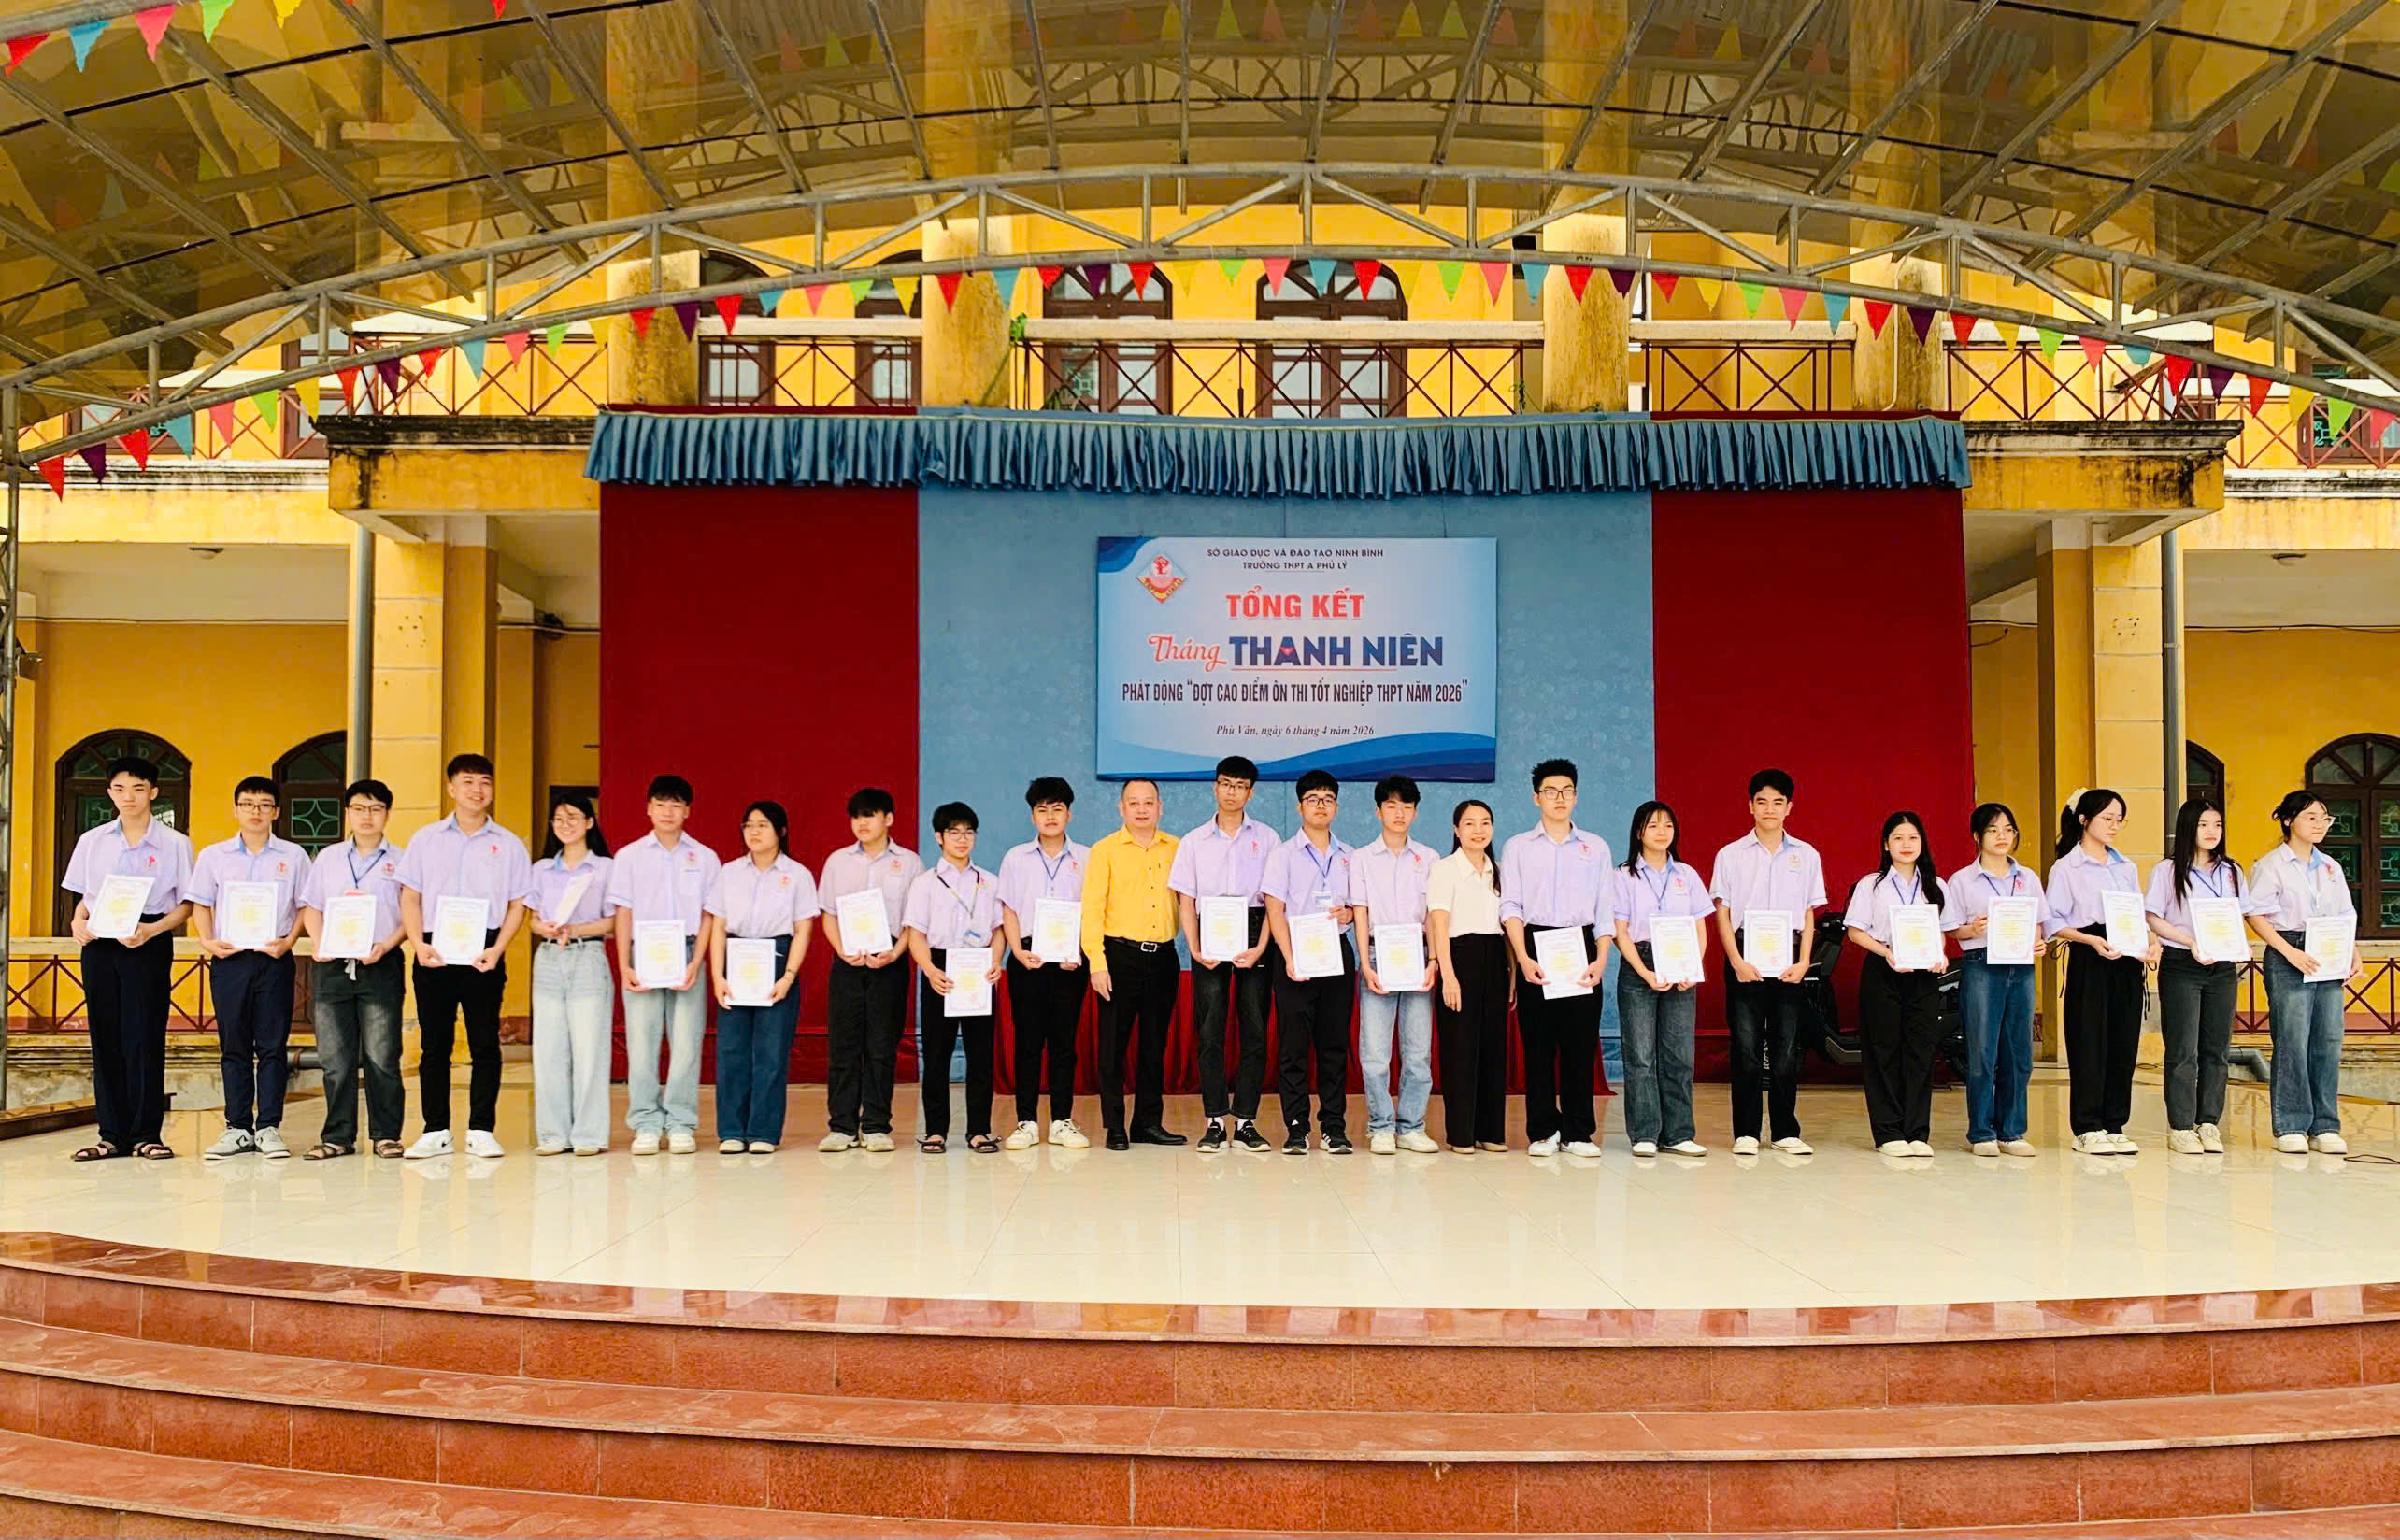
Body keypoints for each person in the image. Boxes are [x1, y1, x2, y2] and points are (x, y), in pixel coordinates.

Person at [397, 752, 534, 1160]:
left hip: (483, 951)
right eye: (468, 781)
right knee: (434, 1046)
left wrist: (498, 948)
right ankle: (435, 1129)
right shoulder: (426, 839)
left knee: (484, 1044)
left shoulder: (508, 844)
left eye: (485, 782)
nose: (477, 790)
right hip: (434, 949)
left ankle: (481, 1129)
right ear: (451, 788)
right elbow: (410, 896)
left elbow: (518, 904)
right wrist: (418, 943)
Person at [62, 755, 193, 1162]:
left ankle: (147, 1134)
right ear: (110, 793)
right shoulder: (92, 840)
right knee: (105, 1035)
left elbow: (186, 905)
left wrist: (153, 931)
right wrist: (77, 921)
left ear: (153, 792)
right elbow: (86, 898)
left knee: (145, 1034)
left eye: (138, 788)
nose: (128, 797)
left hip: (147, 939)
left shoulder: (175, 843)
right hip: (101, 942)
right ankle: (111, 1134)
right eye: (119, 789)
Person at [188, 777, 311, 1161]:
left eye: (264, 804)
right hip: (230, 960)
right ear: (235, 809)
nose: (255, 811)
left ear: (276, 811)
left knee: (272, 1046)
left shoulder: (294, 856)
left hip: (274, 959)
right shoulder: (214, 855)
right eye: (247, 804)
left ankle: (269, 1126)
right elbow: (201, 903)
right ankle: (238, 1127)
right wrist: (208, 941)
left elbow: (306, 905)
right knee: (234, 1046)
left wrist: (289, 940)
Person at [1499, 758, 1612, 1158]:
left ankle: (1578, 1132)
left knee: (1580, 1045)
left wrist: (1601, 959)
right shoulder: (1517, 847)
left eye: (1566, 791)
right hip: (1535, 946)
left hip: (1581, 946)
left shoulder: (1596, 848)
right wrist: (1522, 956)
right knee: (1539, 1046)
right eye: (1550, 791)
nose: (1559, 798)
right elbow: (1510, 905)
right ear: (1537, 798)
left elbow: (1605, 910)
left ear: (1576, 796)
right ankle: (1543, 1130)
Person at [1709, 768, 1825, 1157]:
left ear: (1789, 807)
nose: (1770, 809)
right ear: (1750, 806)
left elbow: (1809, 912)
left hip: (1789, 955)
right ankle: (1745, 1131)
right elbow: (1722, 912)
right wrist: (1735, 960)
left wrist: (1805, 960)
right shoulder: (1730, 855)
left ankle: (1785, 1130)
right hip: (1745, 953)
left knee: (1787, 1047)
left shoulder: (1806, 855)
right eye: (1762, 802)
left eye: (1778, 802)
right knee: (1745, 1046)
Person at [1170, 756, 1279, 1152]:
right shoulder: (1194, 841)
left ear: (1251, 792)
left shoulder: (1268, 838)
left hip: (1254, 929)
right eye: (1226, 784)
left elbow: (1274, 900)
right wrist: (1194, 947)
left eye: (1240, 786)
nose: (1232, 792)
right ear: (1215, 787)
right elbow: (1186, 899)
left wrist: (1262, 945)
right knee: (1210, 1028)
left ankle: (1247, 1121)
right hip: (1210, 932)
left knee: (1254, 1028)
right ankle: (1214, 1120)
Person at [296, 778, 410, 1160]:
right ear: (347, 813)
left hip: (381, 963)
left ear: (387, 815)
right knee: (335, 1059)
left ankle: (386, 1135)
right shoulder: (328, 858)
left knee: (382, 1055)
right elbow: (312, 907)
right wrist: (319, 942)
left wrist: (386, 946)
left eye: (376, 809)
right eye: (359, 808)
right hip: (333, 965)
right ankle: (338, 1136)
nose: (367, 816)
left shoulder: (402, 860)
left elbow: (410, 915)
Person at [607, 775, 721, 1156]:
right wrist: (623, 964)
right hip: (643, 952)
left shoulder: (705, 858)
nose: (668, 812)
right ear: (648, 809)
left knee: (686, 1043)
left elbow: (709, 915)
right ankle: (645, 1122)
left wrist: (697, 962)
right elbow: (623, 912)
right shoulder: (629, 856)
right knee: (642, 1043)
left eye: (676, 805)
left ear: (687, 811)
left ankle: (681, 1122)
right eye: (660, 804)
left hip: (688, 951)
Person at [2044, 787, 2156, 1155]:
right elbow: (2053, 921)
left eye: (2119, 820)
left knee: (2123, 1040)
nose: (2114, 826)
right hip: (2090, 955)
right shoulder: (2066, 868)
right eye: (2107, 818)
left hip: (2126, 956)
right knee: (2089, 1040)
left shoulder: (2126, 867)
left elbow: (2136, 913)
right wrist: (2089, 940)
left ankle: (2114, 1123)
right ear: (2084, 820)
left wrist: (2151, 940)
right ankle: (2087, 1126)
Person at [2245, 791, 2356, 1155]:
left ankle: (2325, 1125)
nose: (2320, 824)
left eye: (2325, 818)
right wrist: (2289, 952)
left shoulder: (2330, 866)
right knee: (2292, 1040)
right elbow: (2255, 914)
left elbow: (2345, 913)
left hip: (2328, 949)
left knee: (2328, 1039)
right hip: (2288, 949)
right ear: (2288, 820)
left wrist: (2351, 951)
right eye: (2311, 817)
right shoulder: (2271, 865)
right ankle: (2291, 1124)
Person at [707, 801, 820, 1154]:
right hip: (736, 957)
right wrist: (717, 975)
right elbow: (718, 926)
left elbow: (804, 930)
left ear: (781, 831)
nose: (754, 832)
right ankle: (731, 1130)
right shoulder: (728, 873)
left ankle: (763, 1132)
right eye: (748, 825)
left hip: (777, 958)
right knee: (732, 1051)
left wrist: (788, 976)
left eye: (762, 825)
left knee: (771, 1053)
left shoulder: (798, 875)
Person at [819, 788, 924, 1153]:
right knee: (844, 1046)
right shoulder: (838, 861)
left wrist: (895, 953)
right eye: (856, 816)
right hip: (847, 961)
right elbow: (828, 915)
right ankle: (842, 1126)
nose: (861, 823)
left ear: (888, 819)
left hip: (889, 961)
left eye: (869, 815)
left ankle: (877, 1125)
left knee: (882, 1047)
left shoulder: (909, 863)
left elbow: (914, 919)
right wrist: (842, 951)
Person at [1080, 779, 1183, 1151]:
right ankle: (1115, 1126)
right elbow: (1092, 910)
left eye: (1148, 802)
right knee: (1113, 1045)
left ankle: (1147, 1123)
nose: (1142, 809)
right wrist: (1096, 963)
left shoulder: (1178, 848)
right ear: (1121, 808)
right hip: (1118, 957)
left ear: (1160, 807)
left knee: (1155, 1045)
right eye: (1134, 803)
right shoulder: (1104, 850)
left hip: (1164, 957)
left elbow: (1191, 901)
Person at [1843, 811, 1948, 1159]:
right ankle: (1888, 1132)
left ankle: (1917, 1132)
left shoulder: (1936, 885)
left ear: (1922, 843)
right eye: (1898, 838)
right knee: (1883, 1051)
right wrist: (1886, 952)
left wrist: (1939, 953)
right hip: (1883, 969)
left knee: (1920, 1052)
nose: (1906, 844)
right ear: (1886, 845)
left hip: (1924, 974)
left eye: (1913, 838)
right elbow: (1855, 932)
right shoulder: (1871, 885)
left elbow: (1941, 932)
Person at [904, 802, 1007, 1153]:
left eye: (968, 832)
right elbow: (916, 934)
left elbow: (999, 929)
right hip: (940, 967)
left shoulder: (989, 881)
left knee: (981, 1053)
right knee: (936, 1054)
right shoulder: (925, 883)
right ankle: (935, 1131)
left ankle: (978, 1130)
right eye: (954, 832)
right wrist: (930, 970)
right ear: (939, 837)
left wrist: (996, 960)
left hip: (979, 968)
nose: (962, 839)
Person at [1610, 800, 1710, 1158]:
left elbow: (1700, 927)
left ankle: (1679, 1133)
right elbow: (1620, 931)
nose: (1662, 832)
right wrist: (1646, 972)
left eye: (1668, 825)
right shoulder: (1622, 875)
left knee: (1679, 1054)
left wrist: (1692, 968)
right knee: (1641, 1056)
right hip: (1640, 965)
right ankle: (1645, 1133)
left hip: (1681, 965)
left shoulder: (1687, 874)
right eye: (1653, 825)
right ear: (1639, 832)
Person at [1264, 771, 1358, 1154]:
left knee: (1334, 1045)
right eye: (1313, 799)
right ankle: (1297, 1127)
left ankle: (1334, 1127)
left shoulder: (1350, 856)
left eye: (1328, 799)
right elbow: (1275, 909)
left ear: (1336, 806)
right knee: (1294, 1046)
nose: (1321, 805)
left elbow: (1358, 909)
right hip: (1295, 955)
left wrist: (1348, 914)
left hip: (1336, 953)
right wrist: (1289, 958)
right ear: (1299, 806)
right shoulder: (1282, 854)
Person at [996, 777, 1091, 1150]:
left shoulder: (1087, 858)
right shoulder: (1015, 858)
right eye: (1042, 809)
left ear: (1069, 814)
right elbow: (1008, 909)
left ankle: (1062, 1121)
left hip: (1070, 961)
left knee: (1065, 1043)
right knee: (1029, 1042)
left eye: (1057, 809)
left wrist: (1078, 951)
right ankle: (1026, 1122)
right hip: (1028, 958)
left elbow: (1093, 911)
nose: (1050, 816)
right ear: (1032, 815)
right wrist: (1017, 952)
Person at [1941, 804, 2039, 1158]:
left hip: (2021, 966)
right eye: (1993, 830)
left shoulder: (2028, 878)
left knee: (2019, 1051)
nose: (2002, 836)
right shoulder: (1962, 880)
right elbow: (1951, 929)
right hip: (1982, 964)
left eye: (2008, 830)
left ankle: (2012, 1131)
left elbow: (2038, 922)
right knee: (1982, 1050)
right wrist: (1973, 929)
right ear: (1977, 836)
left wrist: (2038, 942)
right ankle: (1982, 1131)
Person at [2147, 795, 2243, 1155]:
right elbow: (2153, 917)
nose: (2212, 831)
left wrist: (2235, 946)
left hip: (2222, 967)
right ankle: (2182, 1126)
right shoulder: (2168, 870)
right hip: (2182, 964)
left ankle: (2209, 1123)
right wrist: (2190, 941)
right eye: (2203, 825)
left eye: (2217, 825)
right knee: (2183, 1048)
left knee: (2217, 1049)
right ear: (2188, 827)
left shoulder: (2231, 871)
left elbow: (2240, 914)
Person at [1351, 775, 1441, 1155]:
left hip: (1419, 957)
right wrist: (1364, 963)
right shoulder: (1360, 859)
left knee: (1418, 1051)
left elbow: (1434, 916)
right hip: (1377, 956)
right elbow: (1360, 913)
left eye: (1406, 806)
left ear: (1415, 812)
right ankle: (1380, 1126)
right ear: (1378, 812)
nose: (1399, 813)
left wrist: (1434, 960)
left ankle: (1412, 1126)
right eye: (1391, 806)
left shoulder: (1430, 858)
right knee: (1375, 1053)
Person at [526, 791, 615, 1157]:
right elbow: (532, 919)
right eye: (559, 819)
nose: (565, 825)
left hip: (588, 956)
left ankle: (589, 1134)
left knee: (590, 1048)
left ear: (590, 822)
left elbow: (613, 921)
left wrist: (575, 930)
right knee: (548, 1049)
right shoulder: (541, 869)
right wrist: (544, 928)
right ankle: (552, 1134)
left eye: (574, 818)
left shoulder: (605, 868)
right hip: (549, 958)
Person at [1428, 799, 1508, 1153]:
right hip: (1459, 957)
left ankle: (1490, 1131)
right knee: (1460, 1048)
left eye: (1485, 822)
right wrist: (1448, 975)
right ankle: (1461, 1134)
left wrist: (1511, 977)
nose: (1479, 830)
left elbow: (1506, 926)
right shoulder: (1444, 869)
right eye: (1470, 823)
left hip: (1495, 958)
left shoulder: (1499, 870)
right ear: (1456, 830)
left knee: (1493, 1047)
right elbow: (1439, 924)